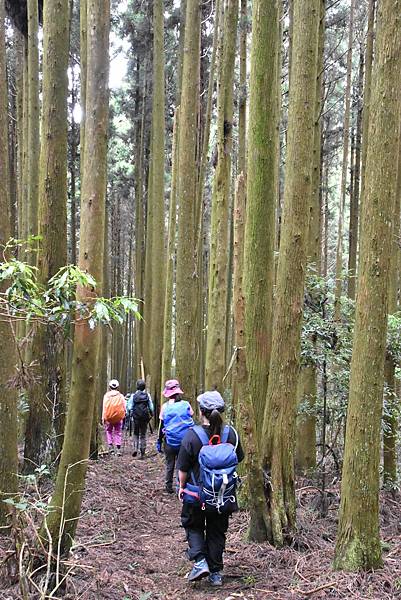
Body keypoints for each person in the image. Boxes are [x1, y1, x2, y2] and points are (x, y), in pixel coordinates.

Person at [177, 390, 244, 587]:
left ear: (201, 412)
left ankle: (199, 562)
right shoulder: (231, 434)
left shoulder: (192, 435)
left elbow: (182, 467)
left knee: (192, 524)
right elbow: (239, 458)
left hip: (197, 495)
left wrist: (182, 487)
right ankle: (216, 573)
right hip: (223, 495)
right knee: (217, 531)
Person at [157, 379, 194, 494]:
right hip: (184, 441)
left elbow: (161, 425)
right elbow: (191, 417)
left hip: (169, 441)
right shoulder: (186, 405)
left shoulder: (165, 407)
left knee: (169, 464)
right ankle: (180, 487)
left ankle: (168, 487)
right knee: (181, 464)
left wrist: (159, 440)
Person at [127, 379, 154, 458]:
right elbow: (151, 407)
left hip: (136, 418)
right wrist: (151, 414)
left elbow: (129, 407)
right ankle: (142, 452)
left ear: (137, 387)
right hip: (145, 418)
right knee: (143, 434)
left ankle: (135, 448)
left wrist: (130, 414)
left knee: (135, 433)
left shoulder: (133, 396)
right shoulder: (147, 395)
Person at [102, 379, 126, 456]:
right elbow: (124, 406)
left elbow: (104, 407)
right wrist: (124, 414)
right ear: (117, 387)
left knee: (108, 431)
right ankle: (118, 448)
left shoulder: (106, 396)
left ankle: (110, 446)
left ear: (109, 387)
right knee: (117, 431)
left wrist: (103, 417)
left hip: (109, 417)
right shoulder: (121, 396)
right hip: (118, 417)